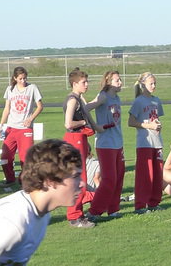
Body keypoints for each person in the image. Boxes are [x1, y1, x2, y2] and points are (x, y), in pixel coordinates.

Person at [62, 68, 99, 228]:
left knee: (79, 177)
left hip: (80, 139)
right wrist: (84, 123)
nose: (87, 85)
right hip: (74, 139)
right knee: (78, 178)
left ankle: (79, 213)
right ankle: (74, 216)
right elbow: (68, 123)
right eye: (84, 82)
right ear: (75, 83)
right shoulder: (73, 100)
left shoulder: (79, 99)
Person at [0, 66, 43, 191]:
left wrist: (31, 118)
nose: (23, 81)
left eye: (24, 78)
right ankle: (10, 179)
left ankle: (24, 181)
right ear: (15, 78)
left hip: (25, 129)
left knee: (25, 157)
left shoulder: (32, 88)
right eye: (20, 79)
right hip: (11, 127)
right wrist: (2, 124)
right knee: (5, 156)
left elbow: (40, 106)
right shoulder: (10, 89)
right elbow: (7, 108)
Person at [88, 70, 125, 218]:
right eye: (117, 80)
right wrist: (95, 126)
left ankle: (113, 209)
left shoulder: (117, 98)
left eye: (120, 79)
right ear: (109, 82)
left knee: (119, 177)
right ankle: (94, 212)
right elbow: (86, 108)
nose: (120, 82)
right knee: (109, 179)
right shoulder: (103, 96)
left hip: (118, 143)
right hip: (105, 144)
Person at [128, 71, 164, 214]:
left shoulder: (156, 100)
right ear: (143, 84)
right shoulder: (138, 101)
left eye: (155, 83)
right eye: (151, 83)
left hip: (157, 142)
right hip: (145, 143)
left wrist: (158, 125)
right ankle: (140, 205)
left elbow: (155, 117)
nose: (154, 86)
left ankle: (154, 203)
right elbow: (131, 122)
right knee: (145, 175)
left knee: (157, 174)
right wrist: (149, 126)